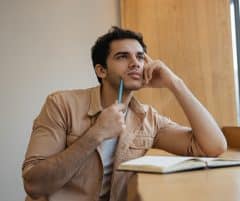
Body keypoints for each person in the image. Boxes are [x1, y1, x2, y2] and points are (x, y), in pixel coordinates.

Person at [22, 26, 227, 201]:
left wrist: (174, 83)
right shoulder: (60, 104)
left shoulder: (147, 118)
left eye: (140, 57)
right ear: (101, 71)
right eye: (122, 56)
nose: (135, 63)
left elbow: (213, 147)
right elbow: (34, 184)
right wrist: (97, 134)